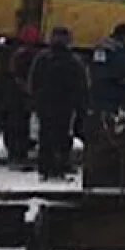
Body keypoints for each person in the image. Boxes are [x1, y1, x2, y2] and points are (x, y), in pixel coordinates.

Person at [28, 26, 89, 180]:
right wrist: (81, 107)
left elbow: (34, 81)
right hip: (65, 106)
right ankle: (60, 167)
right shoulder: (74, 61)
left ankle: (45, 168)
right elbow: (82, 86)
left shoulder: (42, 58)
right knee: (62, 137)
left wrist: (35, 100)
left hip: (45, 104)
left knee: (45, 136)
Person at [2, 24, 42, 170]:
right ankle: (17, 155)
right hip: (19, 98)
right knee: (19, 126)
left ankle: (17, 155)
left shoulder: (15, 53)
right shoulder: (27, 55)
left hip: (16, 98)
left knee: (17, 126)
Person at [89, 23, 125, 115]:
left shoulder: (103, 49)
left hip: (102, 93)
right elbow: (121, 72)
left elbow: (95, 69)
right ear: (124, 37)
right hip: (110, 93)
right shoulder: (115, 50)